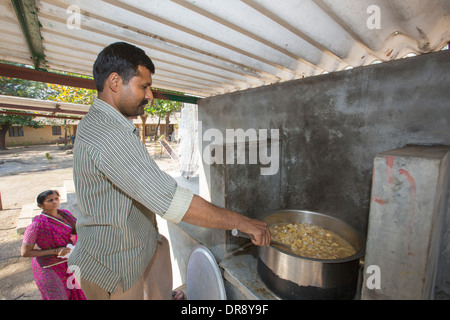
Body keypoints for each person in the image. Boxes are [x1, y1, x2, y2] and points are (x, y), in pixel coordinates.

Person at [68, 42, 271, 300]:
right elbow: (173, 202)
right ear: (115, 82)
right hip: (115, 268)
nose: (150, 96)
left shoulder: (105, 123)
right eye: (144, 86)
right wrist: (243, 223)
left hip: (136, 249)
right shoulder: (109, 134)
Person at [21, 190, 86, 300]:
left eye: (56, 199)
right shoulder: (36, 225)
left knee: (73, 294)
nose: (54, 202)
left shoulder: (65, 215)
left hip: (68, 263)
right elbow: (25, 252)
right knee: (58, 296)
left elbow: (76, 231)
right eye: (50, 200)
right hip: (49, 268)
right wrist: (55, 251)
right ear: (40, 205)